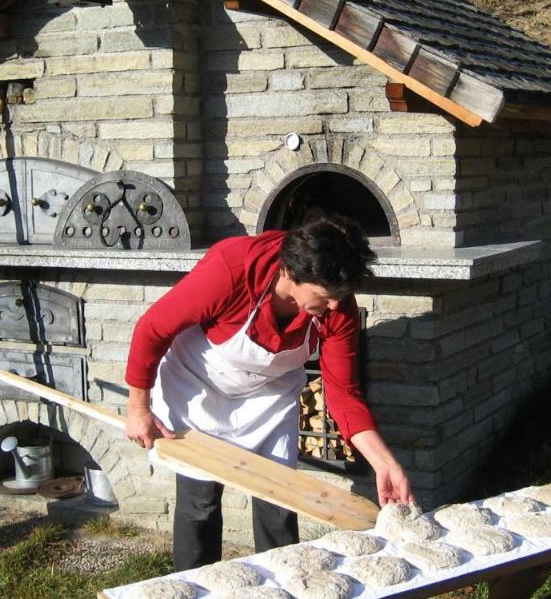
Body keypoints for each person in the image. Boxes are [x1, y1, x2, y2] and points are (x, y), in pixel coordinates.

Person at [123, 213, 414, 570]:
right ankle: (193, 591)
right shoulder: (232, 268)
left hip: (269, 396)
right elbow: (153, 328)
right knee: (200, 503)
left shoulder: (337, 306)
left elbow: (343, 393)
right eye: (326, 296)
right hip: (198, 386)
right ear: (290, 274)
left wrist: (385, 463)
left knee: (280, 503)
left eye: (341, 296)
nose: (336, 305)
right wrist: (139, 407)